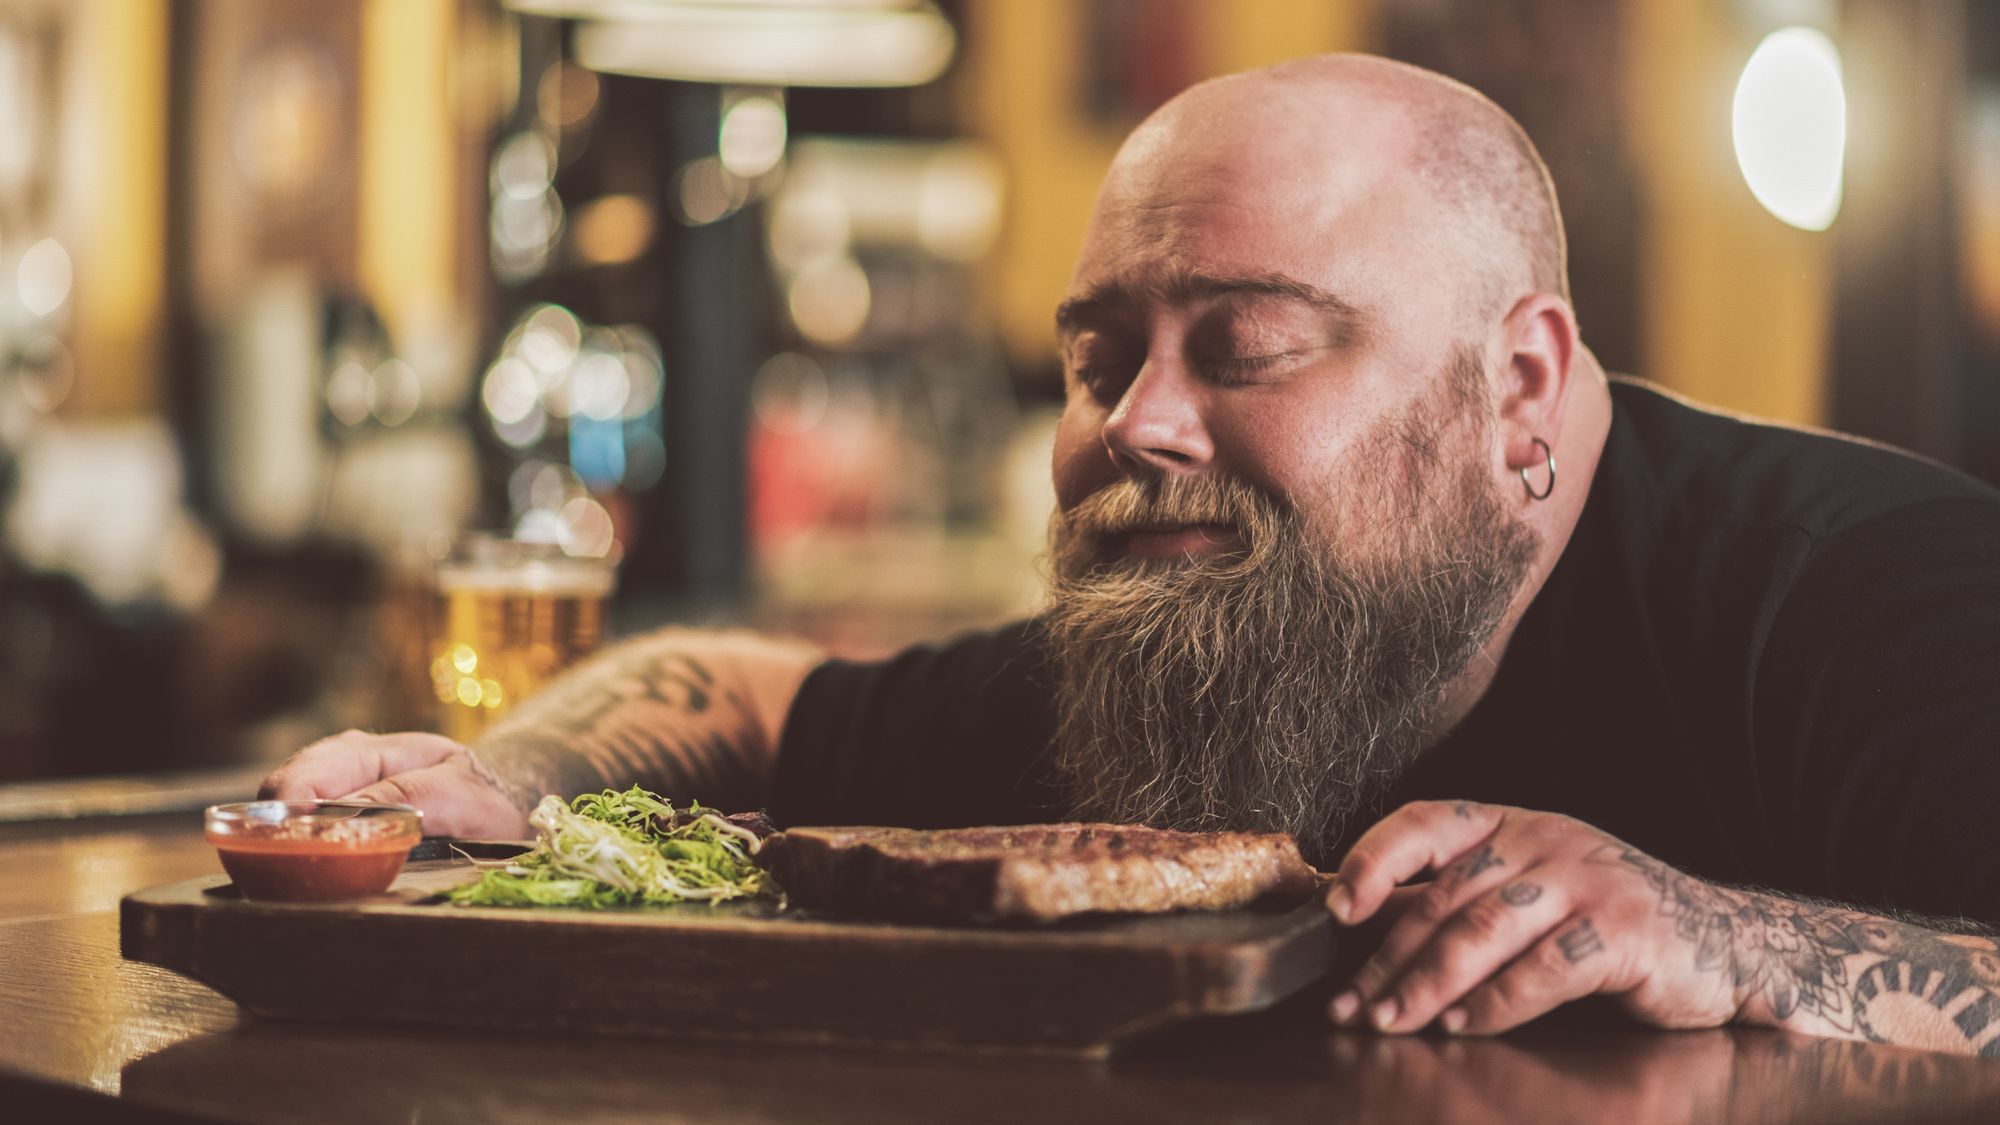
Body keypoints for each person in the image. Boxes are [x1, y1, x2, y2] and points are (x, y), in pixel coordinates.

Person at [265, 55, 2000, 1055]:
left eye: (1245, 345)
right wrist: (509, 771)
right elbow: (738, 690)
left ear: (1522, 383)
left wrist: (1740, 940)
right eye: (1096, 359)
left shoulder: (1872, 599)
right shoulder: (1207, 630)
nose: (1136, 424)